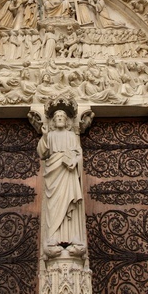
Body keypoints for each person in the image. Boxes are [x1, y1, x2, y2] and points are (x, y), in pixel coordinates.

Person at [37, 109, 85, 257]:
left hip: (68, 172)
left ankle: (72, 236)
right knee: (54, 205)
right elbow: (42, 153)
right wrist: (45, 135)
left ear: (66, 121)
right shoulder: (50, 135)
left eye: (62, 117)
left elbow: (78, 153)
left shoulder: (71, 136)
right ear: (53, 121)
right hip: (53, 173)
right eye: (57, 116)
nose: (59, 118)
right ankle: (53, 237)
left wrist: (74, 161)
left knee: (70, 203)